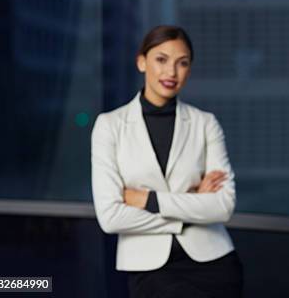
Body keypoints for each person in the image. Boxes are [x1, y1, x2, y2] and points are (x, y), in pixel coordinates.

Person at [91, 26, 243, 298]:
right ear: (141, 62)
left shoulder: (205, 123)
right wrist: (190, 209)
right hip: (148, 270)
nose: (171, 72)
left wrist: (148, 200)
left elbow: (223, 206)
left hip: (215, 264)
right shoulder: (109, 126)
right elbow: (110, 217)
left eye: (182, 63)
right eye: (161, 59)